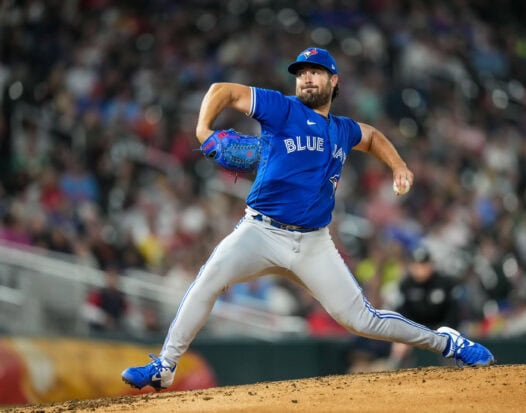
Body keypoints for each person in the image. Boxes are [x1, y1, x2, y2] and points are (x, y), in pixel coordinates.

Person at [121, 47, 494, 390]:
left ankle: (447, 342)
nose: (306, 78)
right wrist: (203, 130)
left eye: (316, 72)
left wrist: (398, 166)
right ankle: (165, 366)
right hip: (260, 231)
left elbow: (374, 137)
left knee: (362, 321)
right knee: (207, 282)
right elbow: (223, 90)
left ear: (334, 81)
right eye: (301, 73)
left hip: (314, 243)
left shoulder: (342, 129)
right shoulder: (281, 109)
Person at [386, 246, 459, 369]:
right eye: (417, 265)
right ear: (411, 266)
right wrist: (404, 334)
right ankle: (393, 380)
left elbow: (454, 312)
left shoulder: (445, 283)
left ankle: (461, 378)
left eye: (424, 264)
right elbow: (401, 312)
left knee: (452, 344)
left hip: (441, 328)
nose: (420, 269)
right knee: (399, 346)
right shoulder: (406, 284)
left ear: (431, 265)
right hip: (415, 329)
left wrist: (447, 331)